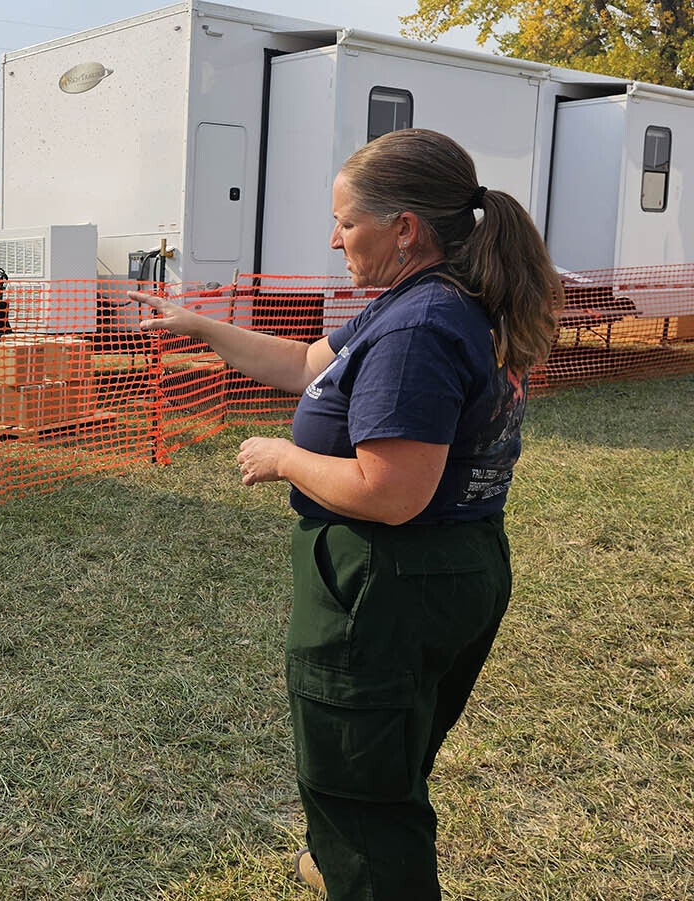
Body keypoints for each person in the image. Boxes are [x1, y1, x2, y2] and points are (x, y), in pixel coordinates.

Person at [129, 128, 561, 900]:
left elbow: (392, 490)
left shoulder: (417, 330)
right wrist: (196, 325)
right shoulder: (431, 303)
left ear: (405, 229)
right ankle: (341, 855)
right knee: (386, 754)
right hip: (446, 571)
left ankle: (358, 863)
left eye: (347, 222)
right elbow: (300, 364)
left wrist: (283, 457)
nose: (334, 239)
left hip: (388, 586)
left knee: (361, 790)